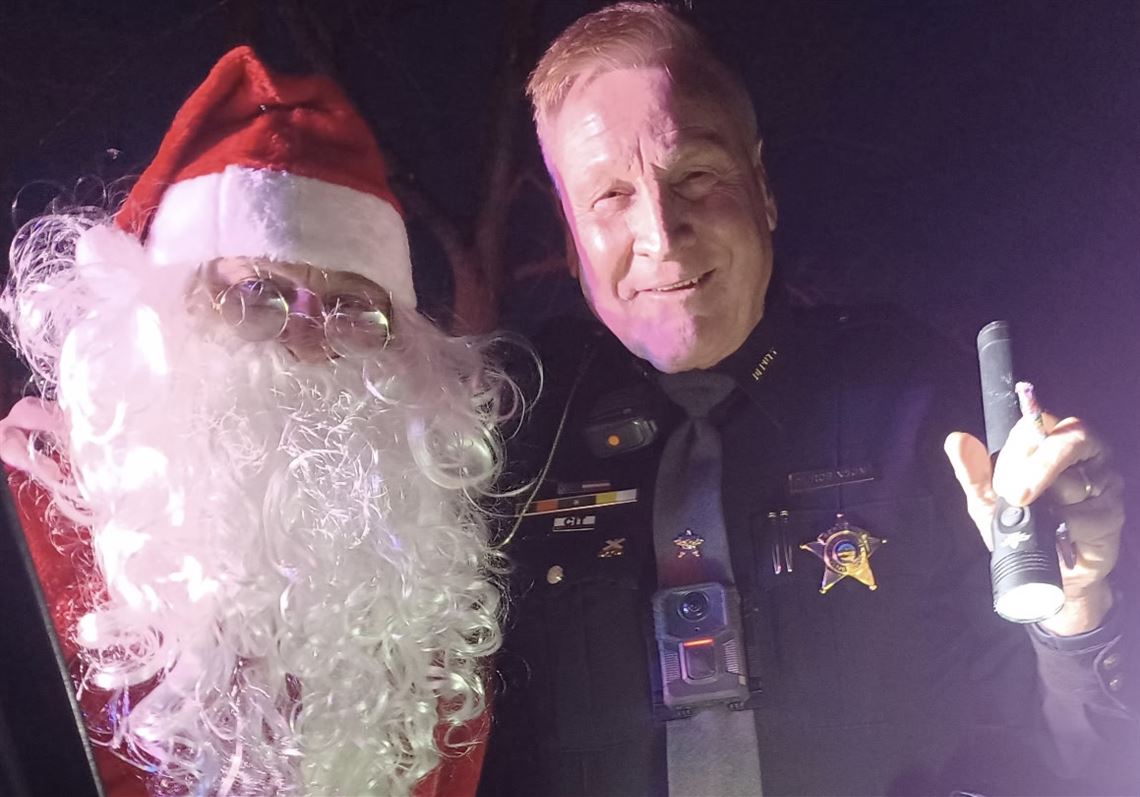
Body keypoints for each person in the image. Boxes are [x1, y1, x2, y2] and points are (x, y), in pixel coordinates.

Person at [478, 3, 1138, 795]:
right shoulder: (503, 439)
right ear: (569, 235)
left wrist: (1076, 608)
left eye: (694, 173)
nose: (662, 231)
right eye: (610, 196)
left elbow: (1084, 761)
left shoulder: (927, 404)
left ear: (761, 188)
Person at [0, 47, 518, 797]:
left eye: (353, 308)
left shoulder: (424, 603)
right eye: (254, 294)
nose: (307, 341)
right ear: (158, 321)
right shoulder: (27, 539)